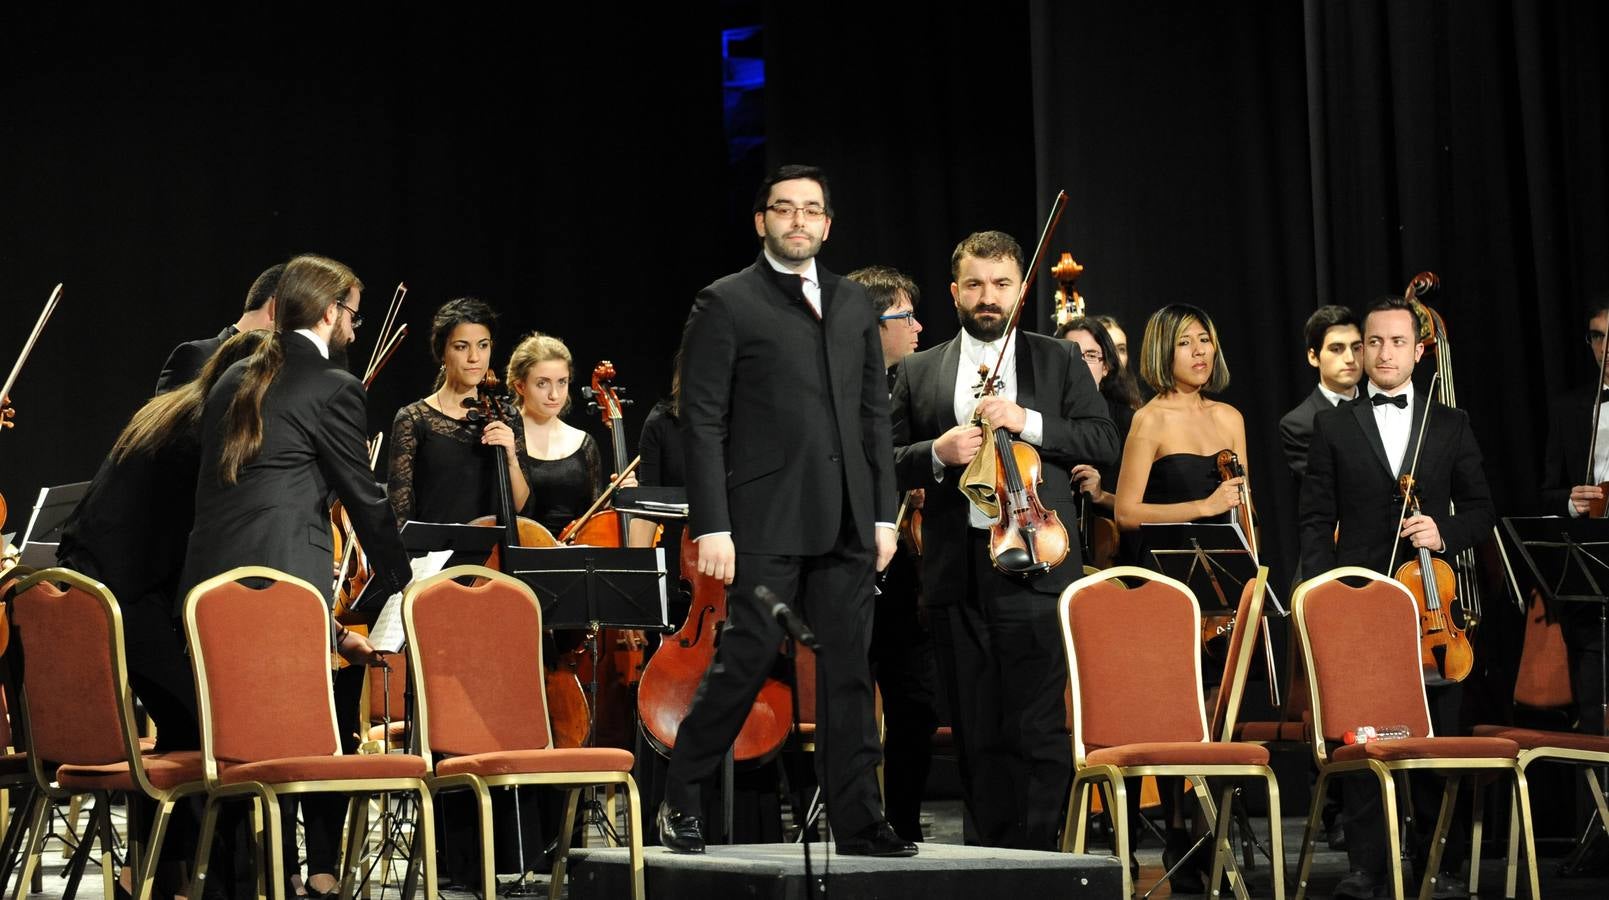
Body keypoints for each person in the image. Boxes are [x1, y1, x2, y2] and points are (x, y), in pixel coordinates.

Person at [660, 164, 909, 858]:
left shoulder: (854, 303)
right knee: (743, 660)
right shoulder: (726, 301)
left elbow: (872, 418)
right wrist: (712, 522)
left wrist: (883, 515)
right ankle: (681, 797)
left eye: (811, 210)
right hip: (764, 518)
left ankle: (857, 820)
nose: (798, 221)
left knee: (848, 670)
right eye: (784, 209)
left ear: (827, 224)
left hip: (849, 522)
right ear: (761, 220)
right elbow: (701, 420)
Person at [181, 253, 407, 900]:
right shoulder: (335, 386)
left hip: (206, 596)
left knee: (243, 747)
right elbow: (363, 498)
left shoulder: (231, 377)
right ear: (330, 311)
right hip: (281, 597)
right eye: (354, 317)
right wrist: (402, 582)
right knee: (296, 743)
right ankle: (311, 878)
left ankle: (264, 876)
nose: (357, 332)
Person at [890, 230, 1118, 851]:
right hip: (956, 573)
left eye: (1001, 285)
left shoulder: (1059, 360)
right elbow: (879, 460)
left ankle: (1040, 860)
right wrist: (934, 452)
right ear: (954, 291)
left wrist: (1028, 421)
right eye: (975, 284)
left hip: (1039, 563)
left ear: (1021, 288)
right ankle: (989, 862)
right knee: (975, 732)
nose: (988, 297)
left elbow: (1103, 443)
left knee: (1039, 729)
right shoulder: (917, 370)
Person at [56, 328, 267, 899]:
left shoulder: (171, 412)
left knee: (185, 725)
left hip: (91, 588)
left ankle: (150, 874)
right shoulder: (205, 436)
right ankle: (214, 884)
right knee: (215, 730)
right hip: (124, 597)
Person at [1299, 295, 1495, 900]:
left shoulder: (1450, 423)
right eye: (1372, 343)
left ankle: (1445, 863)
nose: (1383, 354)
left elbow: (1485, 510)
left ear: (1418, 350)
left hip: (1431, 605)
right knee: (1362, 740)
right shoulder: (1331, 424)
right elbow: (1314, 520)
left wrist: (1445, 530)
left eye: (1396, 343)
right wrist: (1323, 597)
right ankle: (1368, 867)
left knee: (1438, 737)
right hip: (1358, 603)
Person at [1106, 303, 1249, 891]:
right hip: (1165, 588)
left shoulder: (1231, 416)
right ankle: (1177, 837)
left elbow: (1245, 507)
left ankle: (1215, 838)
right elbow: (1126, 512)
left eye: (1207, 341)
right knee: (1174, 718)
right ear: (1162, 350)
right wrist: (1204, 507)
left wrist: (1251, 585)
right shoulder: (1149, 421)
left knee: (1219, 718)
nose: (1200, 352)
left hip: (1222, 588)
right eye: (1187, 342)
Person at [847, 263, 939, 843]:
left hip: (904, 569)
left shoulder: (908, 388)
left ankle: (902, 822)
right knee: (852, 701)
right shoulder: (838, 392)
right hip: (847, 564)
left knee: (917, 702)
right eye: (904, 316)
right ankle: (856, 821)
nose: (917, 327)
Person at [387, 297, 527, 528]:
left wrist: (511, 458)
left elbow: (521, 507)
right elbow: (399, 512)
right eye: (461, 347)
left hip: (494, 557)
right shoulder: (414, 419)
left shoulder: (507, 417)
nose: (474, 357)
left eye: (483, 345)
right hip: (435, 558)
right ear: (442, 352)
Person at [1539, 295, 1609, 739]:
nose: (1606, 347)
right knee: (1592, 705)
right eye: (1598, 336)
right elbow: (1545, 492)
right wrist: (1570, 501)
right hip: (1593, 572)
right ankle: (1595, 809)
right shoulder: (1570, 408)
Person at [506, 332, 634, 533]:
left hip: (578, 557)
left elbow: (591, 518)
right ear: (520, 386)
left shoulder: (584, 442)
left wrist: (614, 497)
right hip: (520, 553)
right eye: (542, 383)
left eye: (562, 382)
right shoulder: (505, 437)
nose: (554, 394)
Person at [155, 264, 281, 394]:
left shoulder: (280, 370)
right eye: (298, 312)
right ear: (275, 308)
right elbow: (170, 413)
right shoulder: (197, 355)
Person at [1279, 304, 1363, 480]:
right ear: (1313, 356)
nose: (1350, 359)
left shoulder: (1382, 407)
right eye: (1336, 349)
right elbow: (1323, 490)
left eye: (1356, 348)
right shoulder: (1298, 424)